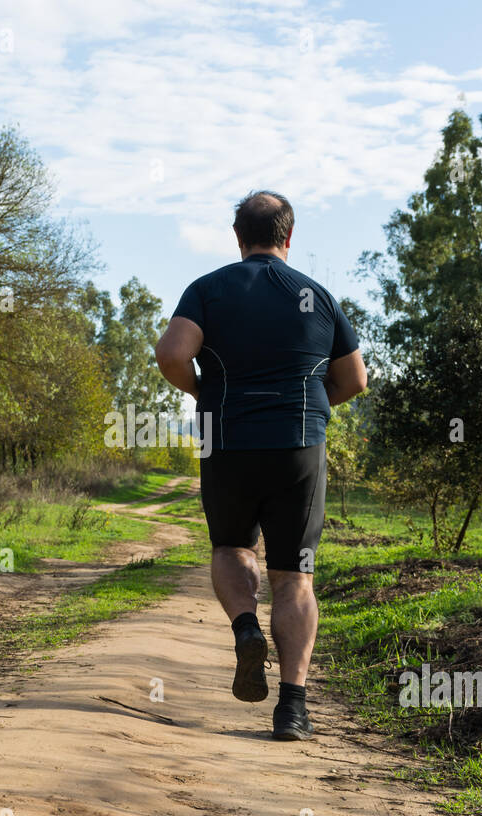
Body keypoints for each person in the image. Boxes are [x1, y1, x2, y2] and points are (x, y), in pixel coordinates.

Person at [154, 190, 367, 740]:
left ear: (238, 237)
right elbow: (355, 380)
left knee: (231, 548)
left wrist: (203, 390)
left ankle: (246, 626)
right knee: (295, 578)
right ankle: (292, 709)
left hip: (226, 443)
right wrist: (312, 411)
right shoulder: (317, 297)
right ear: (288, 237)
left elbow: (172, 354)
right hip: (298, 447)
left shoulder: (208, 289)